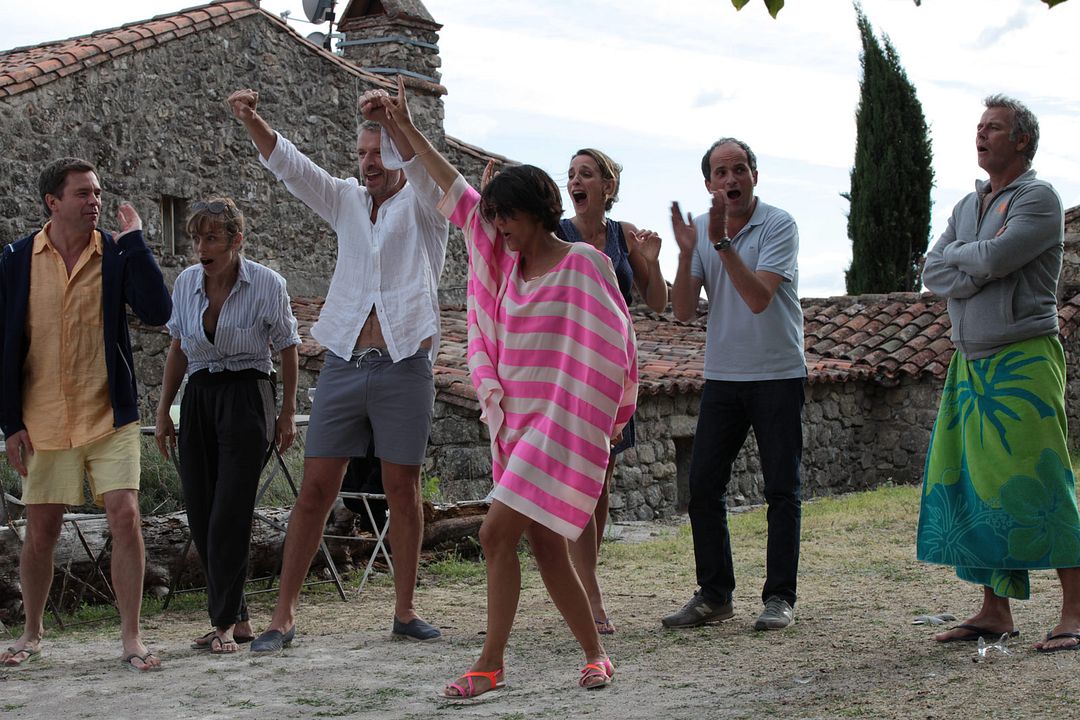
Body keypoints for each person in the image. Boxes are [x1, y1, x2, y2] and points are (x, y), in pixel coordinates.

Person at [367, 78, 637, 698]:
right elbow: (451, 190)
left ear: (538, 212)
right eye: (493, 219)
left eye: (506, 216)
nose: (497, 228)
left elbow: (616, 346)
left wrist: (608, 412)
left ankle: (490, 664)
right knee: (544, 546)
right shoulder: (501, 263)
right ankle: (596, 654)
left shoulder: (583, 265)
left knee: (493, 533)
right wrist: (404, 129)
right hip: (517, 425)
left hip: (560, 425)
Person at [226, 86, 449, 649]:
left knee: (403, 487)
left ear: (398, 153)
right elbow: (294, 169)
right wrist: (254, 119)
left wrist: (397, 120)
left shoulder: (424, 205)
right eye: (362, 154)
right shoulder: (346, 199)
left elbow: (438, 180)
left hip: (405, 364)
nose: (370, 163)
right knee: (315, 487)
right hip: (346, 362)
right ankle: (283, 618)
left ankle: (404, 611)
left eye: (379, 152)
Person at [917, 95, 1080, 653]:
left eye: (995, 128)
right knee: (974, 484)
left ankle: (1075, 612)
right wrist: (974, 257)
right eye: (979, 126)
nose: (982, 134)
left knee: (1041, 482)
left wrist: (971, 259)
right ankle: (994, 611)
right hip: (970, 361)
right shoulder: (968, 203)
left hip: (1023, 360)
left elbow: (991, 261)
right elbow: (934, 270)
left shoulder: (1039, 198)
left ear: (1022, 141)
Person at [0, 157, 171, 671]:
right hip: (43, 416)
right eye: (83, 194)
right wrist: (11, 423)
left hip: (108, 415)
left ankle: (132, 638)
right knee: (43, 529)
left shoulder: (117, 254)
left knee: (125, 515)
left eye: (97, 192)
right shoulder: (14, 260)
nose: (94, 201)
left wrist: (137, 240)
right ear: (53, 202)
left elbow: (158, 312)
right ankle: (31, 633)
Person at [664, 138, 805, 632]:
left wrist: (722, 243)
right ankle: (715, 594)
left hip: (778, 374)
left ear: (754, 176)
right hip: (723, 376)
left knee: (781, 490)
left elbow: (758, 298)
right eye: (720, 172)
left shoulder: (779, 224)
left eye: (739, 169)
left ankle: (779, 598)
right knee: (702, 486)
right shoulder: (701, 231)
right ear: (708, 183)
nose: (730, 180)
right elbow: (681, 311)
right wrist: (686, 255)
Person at [154, 197, 301, 654]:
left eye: (211, 237)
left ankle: (219, 623)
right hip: (199, 395)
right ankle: (237, 618)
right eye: (196, 237)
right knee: (200, 507)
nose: (201, 246)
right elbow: (178, 346)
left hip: (248, 393)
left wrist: (286, 412)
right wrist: (163, 411)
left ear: (237, 241)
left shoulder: (267, 284)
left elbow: (289, 346)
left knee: (230, 510)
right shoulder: (185, 283)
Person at [560, 148, 666, 635]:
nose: (575, 181)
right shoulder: (557, 232)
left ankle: (584, 578)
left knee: (600, 483)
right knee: (581, 482)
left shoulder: (623, 236)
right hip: (569, 366)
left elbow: (658, 301)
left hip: (614, 370)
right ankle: (589, 594)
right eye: (571, 175)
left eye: (585, 174)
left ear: (607, 185)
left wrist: (651, 261)